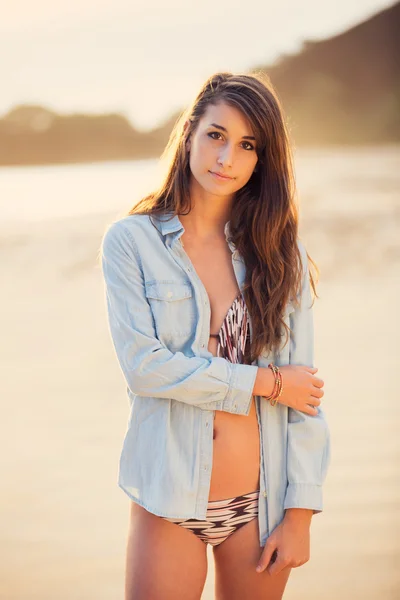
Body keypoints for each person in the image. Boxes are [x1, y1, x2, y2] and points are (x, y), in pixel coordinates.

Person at [100, 71, 331, 600]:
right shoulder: (133, 242)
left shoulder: (279, 255)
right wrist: (265, 382)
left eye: (247, 145)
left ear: (261, 160)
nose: (226, 157)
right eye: (216, 135)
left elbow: (306, 398)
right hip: (170, 495)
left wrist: (301, 514)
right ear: (189, 134)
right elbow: (145, 368)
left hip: (261, 502)